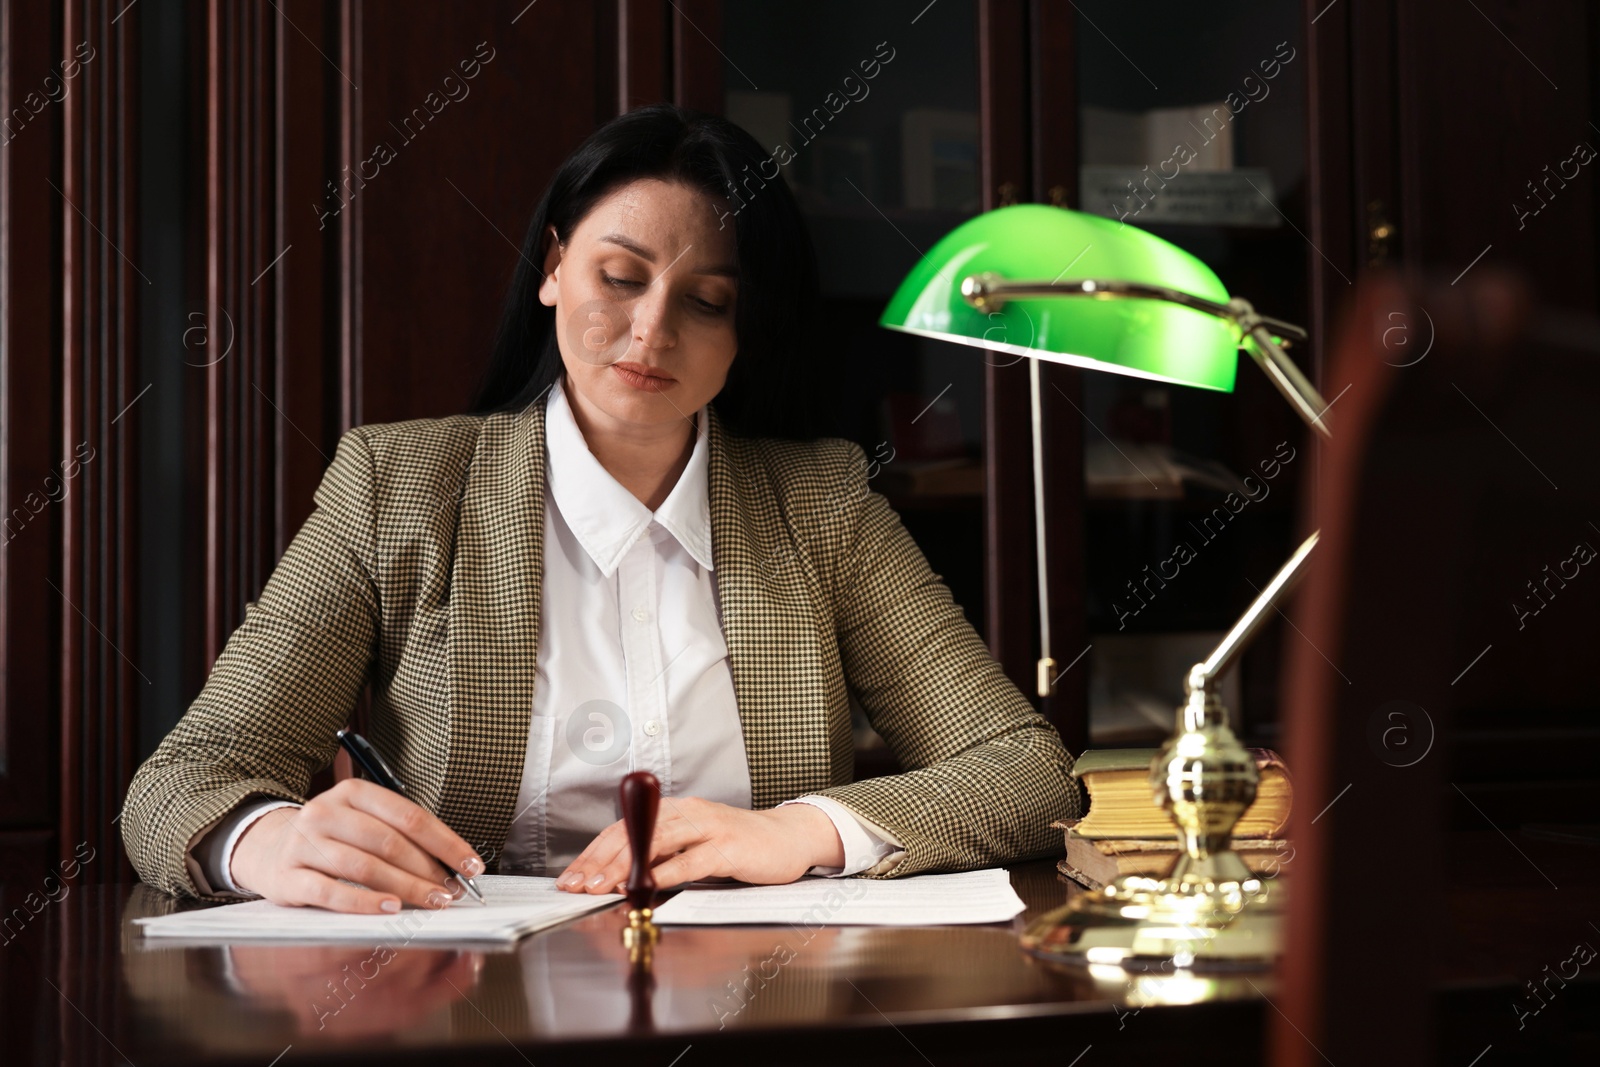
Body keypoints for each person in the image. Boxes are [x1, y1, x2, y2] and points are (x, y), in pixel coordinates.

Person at [120, 103, 1084, 914]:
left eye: (707, 300)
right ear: (552, 268)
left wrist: (794, 832)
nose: (651, 329)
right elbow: (181, 781)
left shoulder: (820, 502)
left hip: (766, 1001)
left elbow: (1025, 772)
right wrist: (264, 840)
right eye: (619, 278)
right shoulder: (399, 486)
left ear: (746, 333)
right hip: (469, 1003)